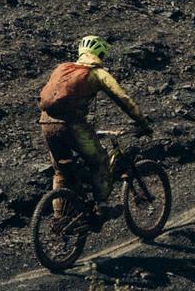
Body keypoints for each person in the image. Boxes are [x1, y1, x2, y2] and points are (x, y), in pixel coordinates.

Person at [37, 35, 150, 201]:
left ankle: (60, 213)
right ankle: (101, 207)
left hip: (46, 122)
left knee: (61, 172)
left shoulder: (62, 68)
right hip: (72, 125)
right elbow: (123, 99)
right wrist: (143, 123)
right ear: (100, 54)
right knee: (100, 162)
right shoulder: (97, 73)